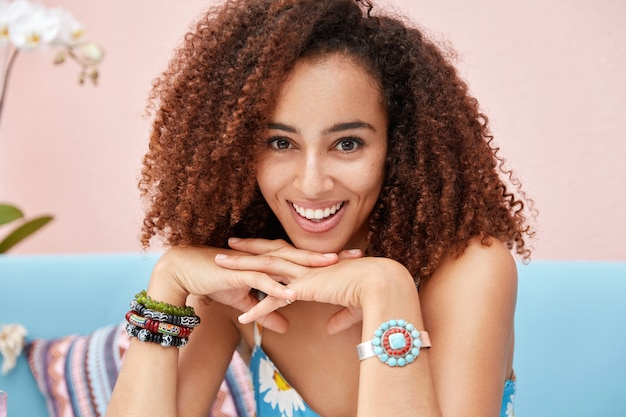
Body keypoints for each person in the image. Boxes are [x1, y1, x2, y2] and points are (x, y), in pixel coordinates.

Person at [106, 0, 534, 416]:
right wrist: (167, 281)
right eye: (280, 143)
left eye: (347, 143)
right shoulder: (242, 284)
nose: (311, 183)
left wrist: (388, 291)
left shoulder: (472, 268)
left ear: (397, 145)